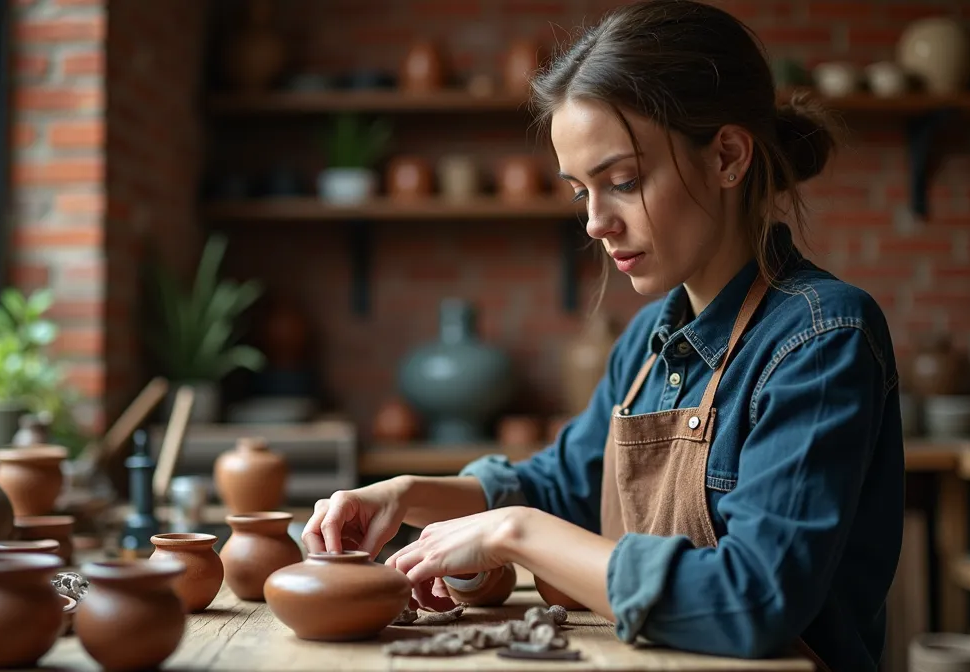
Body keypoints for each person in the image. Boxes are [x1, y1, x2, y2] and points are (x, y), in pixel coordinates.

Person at [302, 1, 904, 669]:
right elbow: (558, 484)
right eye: (579, 191)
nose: (594, 223)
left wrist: (514, 533)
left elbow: (753, 600)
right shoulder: (650, 341)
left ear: (728, 156)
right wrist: (407, 493)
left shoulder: (820, 340)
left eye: (621, 182)